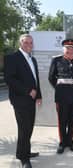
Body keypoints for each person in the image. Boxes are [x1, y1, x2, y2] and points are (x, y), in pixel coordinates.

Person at [4, 34, 42, 168]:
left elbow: (35, 79)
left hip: (31, 100)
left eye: (31, 43)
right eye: (26, 43)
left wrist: (39, 95)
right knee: (24, 128)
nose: (29, 45)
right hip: (20, 100)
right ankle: (24, 158)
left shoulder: (33, 59)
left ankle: (24, 152)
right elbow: (10, 79)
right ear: (20, 44)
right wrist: (27, 91)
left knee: (29, 127)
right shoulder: (12, 58)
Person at [48, 39, 73, 154]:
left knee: (72, 120)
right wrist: (59, 88)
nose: (70, 50)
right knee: (62, 120)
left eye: (72, 48)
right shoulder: (56, 60)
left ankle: (70, 142)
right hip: (62, 96)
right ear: (63, 49)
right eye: (67, 48)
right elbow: (51, 77)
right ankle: (62, 143)